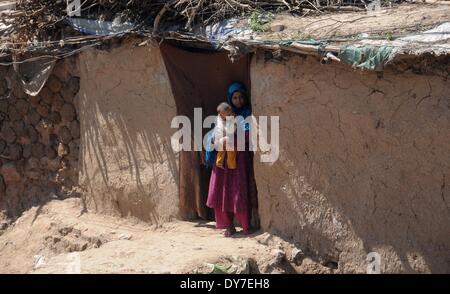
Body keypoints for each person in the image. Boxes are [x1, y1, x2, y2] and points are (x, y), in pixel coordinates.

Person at [206, 82, 254, 237]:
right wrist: (219, 140)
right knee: (222, 191)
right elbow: (214, 136)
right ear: (230, 99)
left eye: (240, 97)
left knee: (238, 191)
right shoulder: (222, 116)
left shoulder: (247, 114)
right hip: (223, 162)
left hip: (239, 160)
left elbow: (248, 135)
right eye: (234, 97)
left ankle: (245, 225)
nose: (238, 100)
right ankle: (228, 225)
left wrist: (232, 137)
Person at [214, 102, 237, 170]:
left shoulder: (226, 118)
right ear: (221, 115)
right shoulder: (220, 122)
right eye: (228, 114)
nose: (230, 115)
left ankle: (220, 162)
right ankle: (230, 164)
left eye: (231, 113)